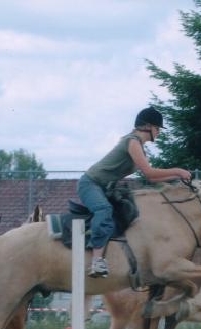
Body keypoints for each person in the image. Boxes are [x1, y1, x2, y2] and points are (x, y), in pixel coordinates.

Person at [78, 106, 191, 278]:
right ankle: (96, 261)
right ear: (147, 126)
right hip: (90, 184)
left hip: (103, 187)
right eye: (157, 128)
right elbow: (149, 172)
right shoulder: (133, 142)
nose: (159, 132)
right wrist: (178, 171)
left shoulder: (137, 144)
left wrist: (176, 178)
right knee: (104, 210)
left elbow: (152, 179)